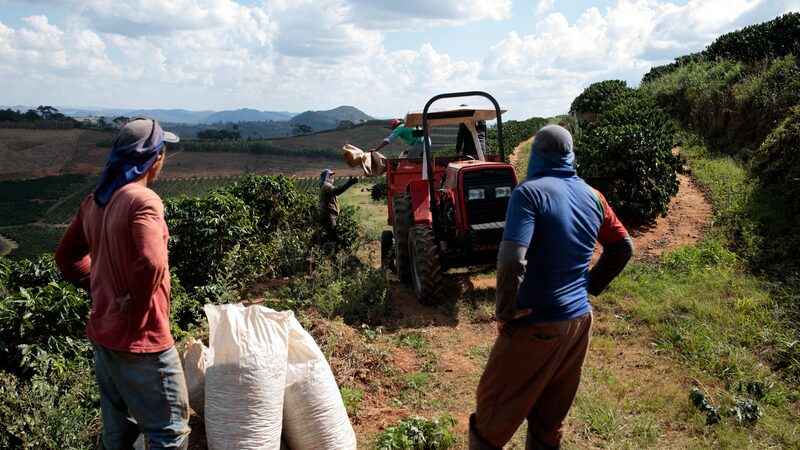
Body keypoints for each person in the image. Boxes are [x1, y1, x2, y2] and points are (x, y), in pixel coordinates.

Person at [469, 125, 634, 450]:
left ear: (536, 155)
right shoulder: (593, 196)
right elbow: (623, 247)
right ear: (569, 155)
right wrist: (587, 285)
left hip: (536, 325)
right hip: (578, 326)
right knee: (549, 423)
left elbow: (512, 259)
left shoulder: (529, 193)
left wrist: (505, 311)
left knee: (490, 419)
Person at [55, 118, 191, 449]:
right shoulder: (143, 200)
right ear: (156, 158)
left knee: (118, 433)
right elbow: (150, 261)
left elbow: (67, 259)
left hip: (105, 336)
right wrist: (137, 310)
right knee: (169, 433)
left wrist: (105, 291)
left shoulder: (95, 201)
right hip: (142, 341)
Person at [319, 168, 358, 243]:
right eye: (330, 175)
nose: (332, 177)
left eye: (333, 175)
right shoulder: (326, 186)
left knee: (329, 236)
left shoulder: (324, 185)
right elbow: (337, 192)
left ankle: (325, 252)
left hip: (327, 214)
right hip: (329, 215)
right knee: (334, 238)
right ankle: (332, 253)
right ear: (326, 177)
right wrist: (349, 183)